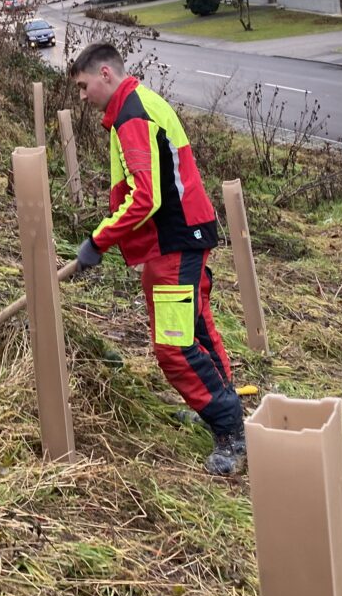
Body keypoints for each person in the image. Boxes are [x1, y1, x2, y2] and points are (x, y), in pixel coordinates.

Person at [69, 43, 246, 475]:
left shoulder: (132, 115)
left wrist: (99, 240)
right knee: (198, 328)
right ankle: (221, 412)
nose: (81, 96)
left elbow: (144, 196)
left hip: (175, 239)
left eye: (83, 85)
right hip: (175, 238)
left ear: (105, 74)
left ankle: (231, 433)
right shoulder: (137, 105)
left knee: (173, 346)